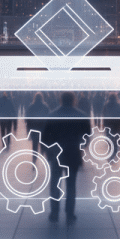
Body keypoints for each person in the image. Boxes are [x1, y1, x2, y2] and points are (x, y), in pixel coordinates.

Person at [42, 91, 91, 224]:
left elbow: (45, 137)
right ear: (74, 100)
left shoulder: (52, 115)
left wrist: (48, 151)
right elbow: (87, 136)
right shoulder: (81, 115)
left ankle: (54, 212)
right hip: (73, 153)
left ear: (61, 100)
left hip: (56, 154)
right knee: (71, 185)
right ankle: (70, 213)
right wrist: (80, 146)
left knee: (55, 184)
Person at [25, 92, 50, 160]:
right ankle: (42, 154)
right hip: (42, 128)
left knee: (35, 145)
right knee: (42, 143)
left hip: (34, 128)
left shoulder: (31, 106)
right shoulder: (45, 106)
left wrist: (28, 127)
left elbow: (27, 118)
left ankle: (34, 158)